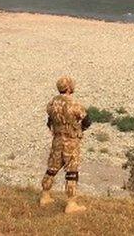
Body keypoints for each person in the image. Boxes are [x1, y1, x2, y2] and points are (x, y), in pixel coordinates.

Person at [38, 76, 91, 213]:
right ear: (68, 88)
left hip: (57, 140)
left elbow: (49, 122)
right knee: (71, 171)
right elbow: (87, 121)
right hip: (71, 142)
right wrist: (79, 130)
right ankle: (71, 204)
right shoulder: (74, 104)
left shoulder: (52, 104)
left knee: (52, 168)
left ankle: (45, 195)